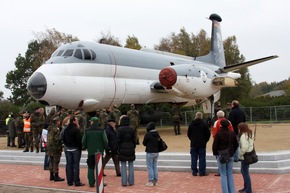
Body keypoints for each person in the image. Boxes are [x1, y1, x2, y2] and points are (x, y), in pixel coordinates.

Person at [212, 119, 238, 193]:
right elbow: (236, 144)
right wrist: (233, 151)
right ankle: (232, 191)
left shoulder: (218, 134)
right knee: (230, 173)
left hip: (221, 154)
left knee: (223, 174)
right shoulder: (232, 133)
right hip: (230, 154)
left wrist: (215, 153)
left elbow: (215, 145)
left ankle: (225, 191)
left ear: (220, 125)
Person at [82, 116, 108, 188]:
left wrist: (87, 147)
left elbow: (83, 141)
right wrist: (104, 147)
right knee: (99, 168)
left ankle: (91, 183)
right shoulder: (102, 130)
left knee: (90, 167)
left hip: (90, 152)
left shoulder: (87, 131)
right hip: (99, 152)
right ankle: (100, 182)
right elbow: (105, 141)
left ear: (92, 122)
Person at [62, 115, 85, 186]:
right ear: (74, 121)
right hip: (75, 149)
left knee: (69, 165)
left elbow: (63, 138)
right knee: (76, 165)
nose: (78, 121)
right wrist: (80, 147)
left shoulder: (66, 129)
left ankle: (69, 181)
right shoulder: (76, 130)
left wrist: (67, 145)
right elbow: (79, 140)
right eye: (77, 120)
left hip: (68, 149)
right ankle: (76, 181)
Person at [187, 112, 211, 176]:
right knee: (202, 158)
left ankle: (194, 171)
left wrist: (192, 139)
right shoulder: (204, 124)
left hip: (193, 143)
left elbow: (188, 134)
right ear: (201, 116)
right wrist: (206, 140)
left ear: (195, 116)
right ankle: (202, 171)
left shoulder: (191, 124)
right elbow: (208, 134)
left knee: (193, 158)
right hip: (202, 143)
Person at [212, 110, 234, 176]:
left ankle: (220, 171)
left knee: (219, 158)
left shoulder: (216, 122)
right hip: (229, 142)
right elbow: (232, 131)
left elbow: (214, 133)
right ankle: (228, 171)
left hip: (220, 143)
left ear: (217, 115)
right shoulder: (229, 122)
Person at [116, 115, 136, 186]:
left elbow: (118, 140)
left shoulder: (119, 129)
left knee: (123, 165)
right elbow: (134, 140)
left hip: (122, 148)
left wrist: (117, 148)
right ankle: (131, 181)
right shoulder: (131, 129)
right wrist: (133, 147)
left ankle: (124, 182)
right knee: (131, 165)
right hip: (130, 147)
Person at [47, 116, 65, 182]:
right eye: (59, 121)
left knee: (51, 161)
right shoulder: (56, 129)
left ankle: (51, 175)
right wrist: (61, 145)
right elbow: (57, 139)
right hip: (55, 147)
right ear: (57, 122)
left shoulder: (50, 129)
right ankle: (56, 175)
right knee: (56, 161)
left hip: (49, 147)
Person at [238, 122, 254, 193]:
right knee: (244, 171)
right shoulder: (249, 133)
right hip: (249, 154)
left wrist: (240, 154)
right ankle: (246, 187)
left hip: (245, 155)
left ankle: (248, 189)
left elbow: (244, 147)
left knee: (245, 172)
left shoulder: (243, 136)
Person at [142, 122, 160, 186]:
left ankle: (151, 181)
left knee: (150, 167)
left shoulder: (148, 134)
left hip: (150, 151)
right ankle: (155, 180)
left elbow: (144, 143)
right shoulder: (157, 134)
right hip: (156, 151)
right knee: (155, 166)